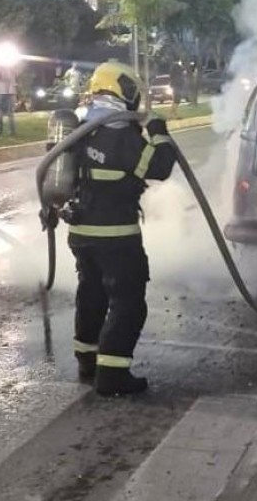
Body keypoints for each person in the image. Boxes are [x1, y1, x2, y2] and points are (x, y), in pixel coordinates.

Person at [64, 60, 176, 396]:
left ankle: (88, 360)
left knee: (91, 294)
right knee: (128, 302)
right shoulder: (121, 134)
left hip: (81, 234)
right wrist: (158, 131)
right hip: (116, 236)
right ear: (123, 90)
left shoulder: (79, 127)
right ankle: (112, 375)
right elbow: (159, 166)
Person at [0, 64, 17, 137]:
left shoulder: (10, 69)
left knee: (10, 113)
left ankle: (12, 132)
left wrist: (14, 93)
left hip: (9, 93)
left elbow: (13, 81)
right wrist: (1, 68)